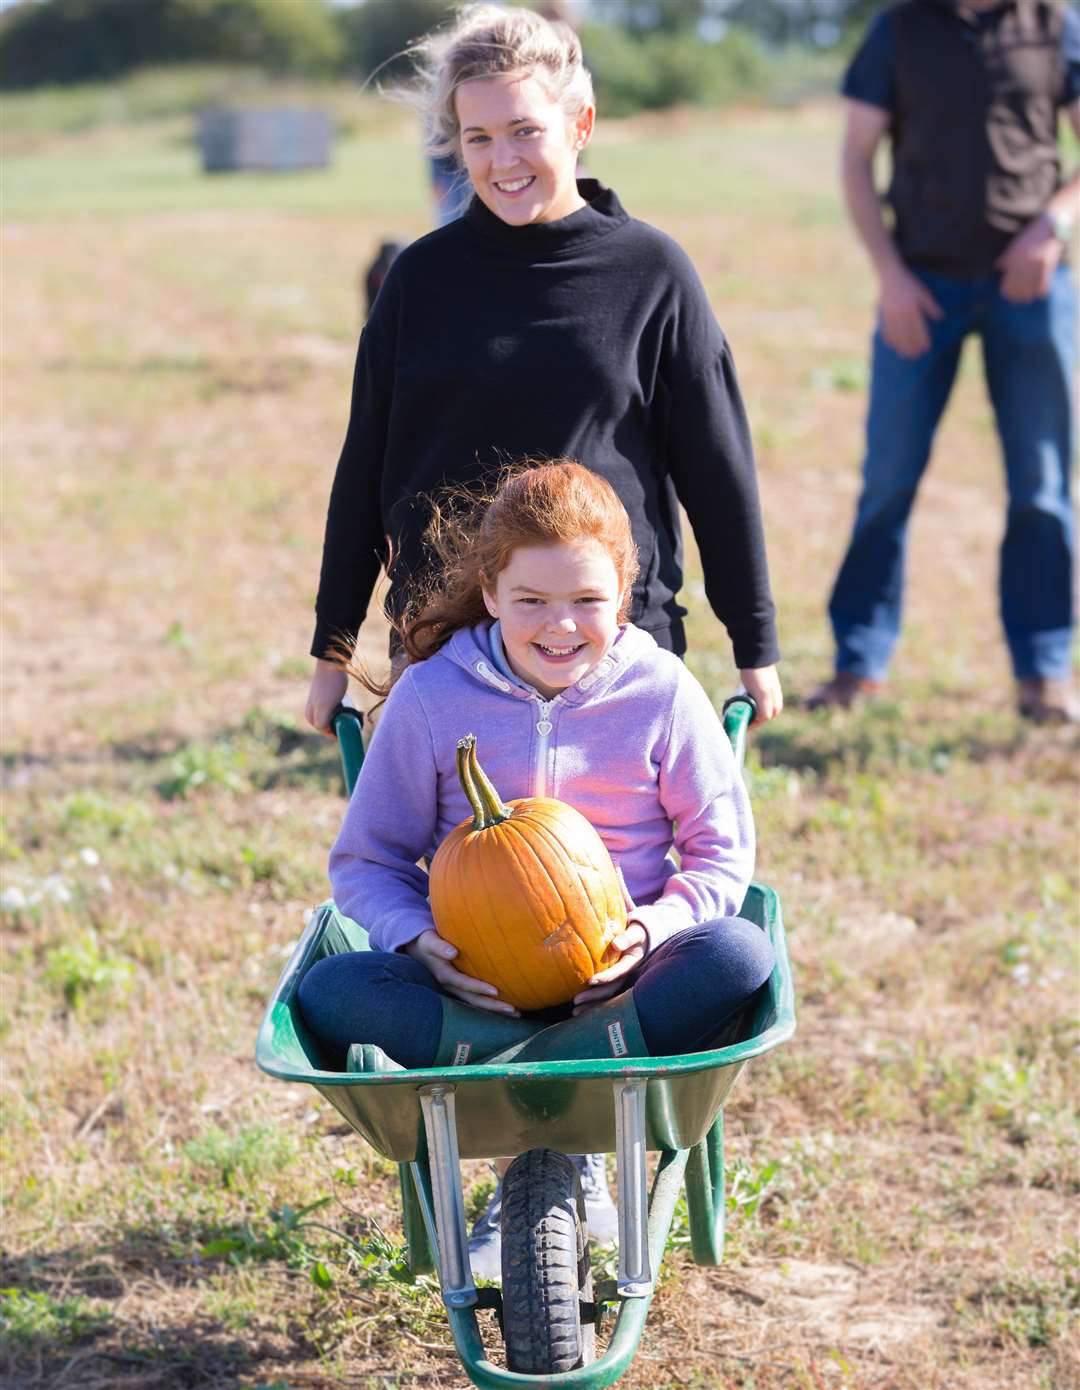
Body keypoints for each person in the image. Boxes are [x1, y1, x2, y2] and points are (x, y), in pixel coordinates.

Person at [298, 461, 775, 1275]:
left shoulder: (660, 692)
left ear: (623, 595)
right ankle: (560, 1088)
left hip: (626, 974)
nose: (562, 626)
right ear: (490, 594)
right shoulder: (432, 699)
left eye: (588, 601)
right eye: (532, 602)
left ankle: (548, 1078)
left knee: (738, 953)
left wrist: (651, 928)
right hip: (472, 985)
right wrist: (418, 942)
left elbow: (719, 850)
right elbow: (369, 860)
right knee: (328, 991)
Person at [306, 3, 783, 740]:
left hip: (608, 644)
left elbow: (717, 473)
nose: (503, 161)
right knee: (464, 860)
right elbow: (365, 468)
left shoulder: (651, 273)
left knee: (611, 857)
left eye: (525, 131)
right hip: (446, 653)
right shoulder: (418, 282)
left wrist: (755, 645)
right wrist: (332, 647)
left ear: (580, 125)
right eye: (479, 138)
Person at [808, 0, 1080, 723]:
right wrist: (891, 278)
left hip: (1031, 288)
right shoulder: (899, 26)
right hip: (920, 290)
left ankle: (1045, 672)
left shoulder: (1056, 24)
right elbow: (857, 159)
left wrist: (1050, 227)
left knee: (1043, 487)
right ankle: (857, 664)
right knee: (887, 481)